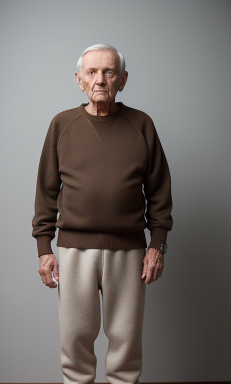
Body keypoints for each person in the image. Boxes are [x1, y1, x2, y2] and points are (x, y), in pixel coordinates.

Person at [32, 43, 173, 384]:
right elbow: (46, 192)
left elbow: (160, 192)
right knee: (76, 340)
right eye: (92, 72)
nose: (100, 80)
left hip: (129, 251)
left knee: (125, 342)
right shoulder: (61, 125)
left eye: (109, 72)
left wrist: (157, 245)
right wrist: (44, 249)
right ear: (79, 80)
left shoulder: (142, 125)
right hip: (74, 250)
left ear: (122, 80)